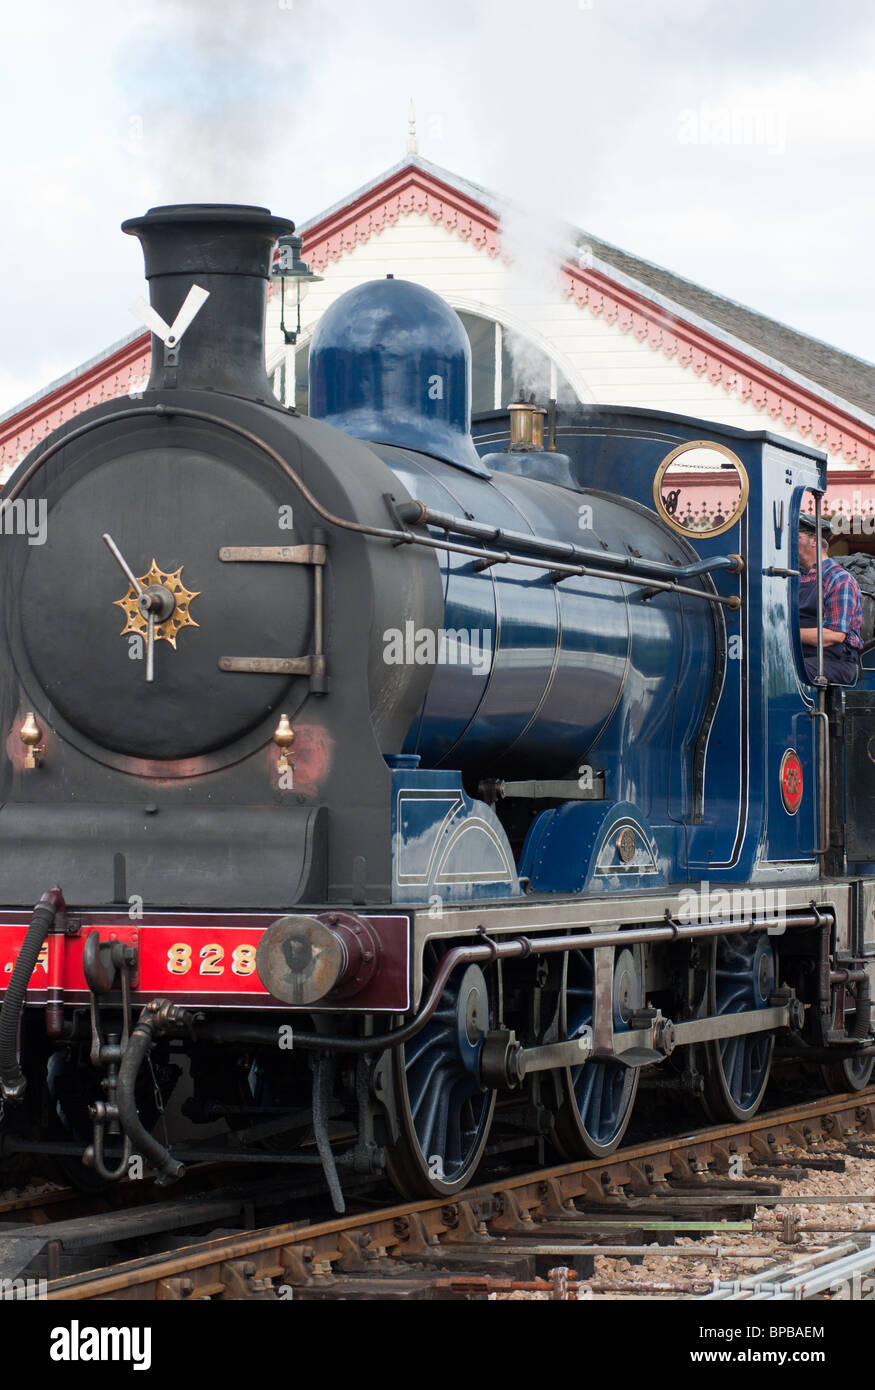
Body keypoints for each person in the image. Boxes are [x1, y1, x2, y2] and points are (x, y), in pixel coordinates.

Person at [798, 514, 863, 684]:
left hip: (834, 661)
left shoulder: (839, 579)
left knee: (789, 672)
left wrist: (785, 634)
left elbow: (834, 635)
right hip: (800, 655)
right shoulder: (794, 578)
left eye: (796, 537)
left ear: (814, 541)